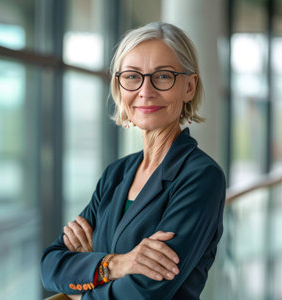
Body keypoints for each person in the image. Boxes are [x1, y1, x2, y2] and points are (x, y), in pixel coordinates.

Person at [40, 21, 226, 299]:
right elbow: (51, 266)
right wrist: (116, 264)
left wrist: (84, 286)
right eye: (132, 76)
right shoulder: (116, 174)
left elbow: (145, 293)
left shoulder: (201, 177)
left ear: (189, 87)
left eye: (163, 76)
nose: (145, 91)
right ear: (119, 87)